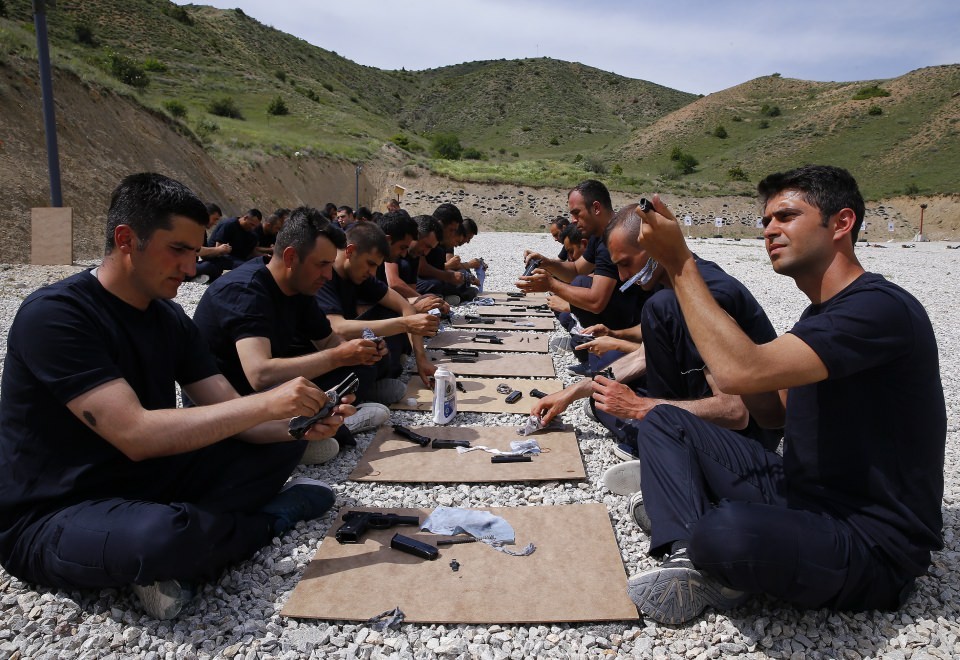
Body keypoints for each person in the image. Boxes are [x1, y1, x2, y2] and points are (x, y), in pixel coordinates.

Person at [0, 173, 355, 621]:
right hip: (55, 511)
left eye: (194, 251)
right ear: (127, 239)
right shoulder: (56, 317)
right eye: (179, 250)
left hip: (146, 481)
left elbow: (227, 408)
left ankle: (201, 539)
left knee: (281, 450)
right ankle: (269, 521)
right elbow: (136, 434)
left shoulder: (167, 317)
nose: (191, 269)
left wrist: (300, 424)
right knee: (160, 539)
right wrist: (268, 402)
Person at [621, 165, 945, 625]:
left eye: (787, 216)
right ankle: (687, 549)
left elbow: (741, 369)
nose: (770, 230)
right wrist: (730, 354)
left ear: (841, 223)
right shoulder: (817, 317)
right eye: (766, 220)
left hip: (870, 539)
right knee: (664, 421)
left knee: (727, 530)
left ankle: (697, 533)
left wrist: (680, 263)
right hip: (798, 492)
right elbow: (774, 415)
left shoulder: (879, 309)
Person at [532, 203, 780, 467]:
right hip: (709, 402)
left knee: (626, 408)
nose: (624, 276)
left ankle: (672, 454)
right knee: (602, 397)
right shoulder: (672, 284)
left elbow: (735, 411)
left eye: (626, 263)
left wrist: (640, 408)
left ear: (655, 247)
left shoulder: (703, 296)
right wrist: (574, 392)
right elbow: (642, 357)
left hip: (747, 437)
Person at [193, 207, 392, 462]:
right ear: (290, 257)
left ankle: (326, 423)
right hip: (235, 403)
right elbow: (260, 374)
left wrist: (360, 350)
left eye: (330, 265)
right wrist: (337, 357)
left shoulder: (299, 287)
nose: (328, 275)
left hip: (272, 392)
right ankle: (330, 426)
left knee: (360, 369)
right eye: (321, 265)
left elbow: (328, 340)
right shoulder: (245, 291)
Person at [518, 180, 644, 374]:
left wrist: (551, 284)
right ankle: (595, 350)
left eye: (577, 213)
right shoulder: (598, 235)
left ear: (596, 208)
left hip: (637, 318)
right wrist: (547, 263)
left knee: (579, 286)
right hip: (628, 314)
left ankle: (600, 352)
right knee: (577, 283)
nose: (573, 220)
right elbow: (577, 268)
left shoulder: (614, 240)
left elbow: (596, 301)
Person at [316, 222, 439, 397]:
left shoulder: (360, 274)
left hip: (344, 348)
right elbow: (337, 328)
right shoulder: (324, 277)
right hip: (319, 355)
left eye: (376, 266)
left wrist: (421, 359)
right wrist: (404, 324)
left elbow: (406, 308)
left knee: (390, 318)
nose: (372, 273)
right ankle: (355, 402)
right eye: (370, 264)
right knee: (364, 366)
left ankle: (373, 384)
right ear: (350, 252)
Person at [418, 203, 477, 305]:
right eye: (451, 230)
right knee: (436, 284)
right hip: (420, 282)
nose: (452, 234)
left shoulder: (440, 246)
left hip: (424, 281)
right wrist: (449, 275)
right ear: (440, 224)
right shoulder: (424, 235)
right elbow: (421, 268)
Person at [190, 201, 231, 283]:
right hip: (182, 265)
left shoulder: (202, 231)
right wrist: (218, 249)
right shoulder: (192, 227)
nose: (215, 223)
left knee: (218, 263)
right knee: (208, 267)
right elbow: (195, 251)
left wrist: (221, 252)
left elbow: (205, 256)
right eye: (214, 219)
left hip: (193, 264)